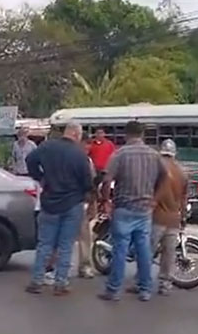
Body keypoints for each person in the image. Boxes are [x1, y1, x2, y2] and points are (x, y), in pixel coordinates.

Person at [98, 121, 166, 302]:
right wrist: (155, 199)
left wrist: (106, 200)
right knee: (143, 249)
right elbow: (165, 177)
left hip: (124, 207)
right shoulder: (154, 154)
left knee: (120, 249)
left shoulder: (119, 154)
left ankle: (113, 290)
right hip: (145, 210)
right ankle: (145, 289)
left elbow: (107, 180)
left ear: (126, 134)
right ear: (142, 134)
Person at [24, 122, 92, 295]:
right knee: (65, 246)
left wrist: (40, 178)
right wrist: (84, 194)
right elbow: (87, 182)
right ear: (76, 135)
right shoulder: (80, 154)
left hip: (49, 201)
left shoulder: (47, 147)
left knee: (45, 244)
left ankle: (37, 280)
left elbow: (30, 160)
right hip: (72, 204)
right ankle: (60, 283)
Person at [148, 139, 188, 296]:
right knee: (169, 254)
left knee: (147, 251)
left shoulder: (155, 167)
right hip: (174, 218)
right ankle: (165, 284)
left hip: (156, 216)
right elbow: (184, 199)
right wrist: (183, 216)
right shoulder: (182, 171)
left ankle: (142, 281)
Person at [76, 154, 97, 279]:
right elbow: (91, 183)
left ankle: (55, 269)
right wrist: (93, 203)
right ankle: (85, 267)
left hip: (66, 201)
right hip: (80, 201)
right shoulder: (85, 160)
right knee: (84, 236)